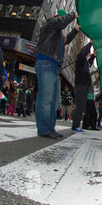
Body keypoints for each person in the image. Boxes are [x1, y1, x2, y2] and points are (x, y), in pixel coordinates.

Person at [35, 10, 79, 138]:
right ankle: (44, 130)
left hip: (54, 68)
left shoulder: (58, 35)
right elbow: (60, 22)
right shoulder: (51, 24)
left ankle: (50, 128)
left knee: (54, 101)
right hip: (46, 63)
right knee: (46, 99)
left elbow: (67, 40)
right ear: (58, 17)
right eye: (62, 17)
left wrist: (76, 29)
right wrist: (72, 15)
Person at [71, 41, 95, 132]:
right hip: (80, 85)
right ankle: (75, 126)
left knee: (82, 106)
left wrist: (94, 55)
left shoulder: (84, 62)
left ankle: (76, 125)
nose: (88, 55)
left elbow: (89, 63)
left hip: (84, 86)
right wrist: (90, 44)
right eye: (88, 53)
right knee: (80, 106)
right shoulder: (80, 59)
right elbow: (84, 53)